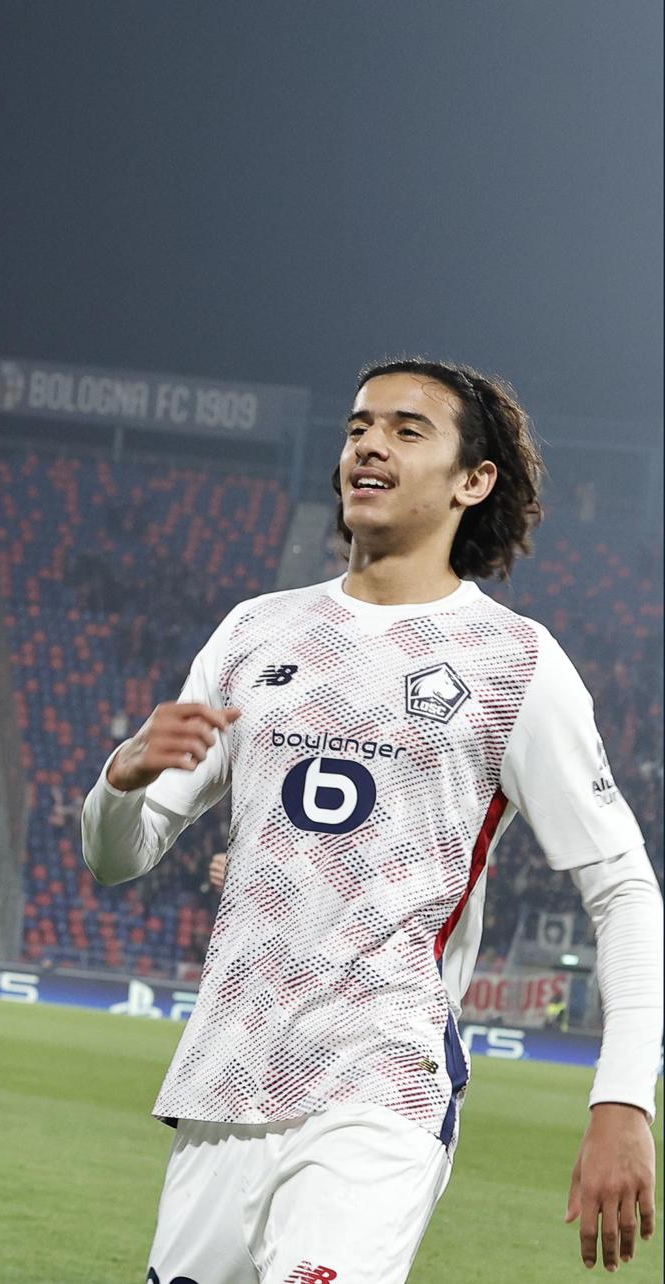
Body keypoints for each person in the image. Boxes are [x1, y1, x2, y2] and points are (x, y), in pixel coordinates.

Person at [82, 360, 661, 1282]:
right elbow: (120, 859)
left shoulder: (515, 663)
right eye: (358, 427)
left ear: (474, 482)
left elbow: (623, 887)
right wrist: (121, 779)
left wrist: (624, 1101)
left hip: (383, 1080)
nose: (369, 445)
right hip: (228, 1073)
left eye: (406, 428)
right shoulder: (254, 632)